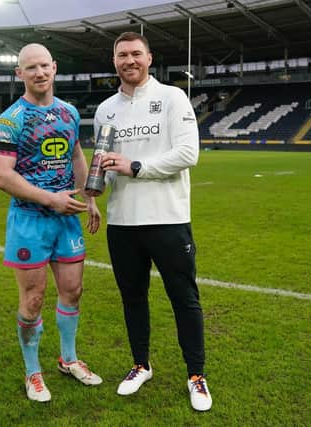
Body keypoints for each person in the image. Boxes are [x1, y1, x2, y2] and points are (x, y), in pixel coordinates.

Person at [92, 32, 211, 412]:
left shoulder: (172, 98)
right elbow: (107, 163)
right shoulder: (105, 109)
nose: (130, 60)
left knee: (184, 299)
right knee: (133, 298)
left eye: (136, 54)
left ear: (149, 58)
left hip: (168, 218)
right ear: (115, 62)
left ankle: (196, 375)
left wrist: (137, 167)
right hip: (122, 222)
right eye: (122, 55)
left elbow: (188, 153)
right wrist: (95, 190)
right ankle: (140, 365)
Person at [0, 43, 102, 403]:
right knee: (33, 300)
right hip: (30, 221)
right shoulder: (10, 120)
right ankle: (32, 371)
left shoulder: (68, 112)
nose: (39, 73)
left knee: (73, 291)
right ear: (19, 74)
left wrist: (90, 197)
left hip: (67, 219)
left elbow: (77, 153)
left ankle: (68, 359)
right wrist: (49, 198)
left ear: (54, 68)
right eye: (30, 68)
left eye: (44, 66)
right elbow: (0, 176)